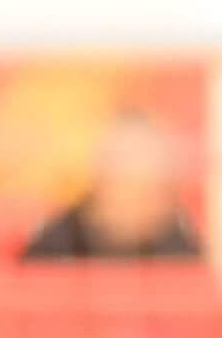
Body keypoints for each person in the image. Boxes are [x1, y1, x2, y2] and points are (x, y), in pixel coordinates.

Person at [20, 109, 202, 263]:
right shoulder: (56, 248)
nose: (151, 207)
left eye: (160, 192)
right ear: (103, 187)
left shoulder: (180, 249)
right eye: (137, 193)